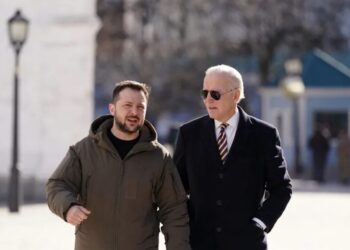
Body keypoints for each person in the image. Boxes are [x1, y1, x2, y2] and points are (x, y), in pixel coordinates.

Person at [46, 81, 190, 250]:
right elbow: (57, 185)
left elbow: (174, 209)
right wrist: (68, 207)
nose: (134, 112)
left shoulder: (159, 157)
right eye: (127, 105)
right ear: (112, 109)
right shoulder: (84, 151)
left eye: (140, 107)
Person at [173, 65, 292, 250]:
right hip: (199, 243)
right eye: (205, 93)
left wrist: (260, 222)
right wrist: (187, 225)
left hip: (247, 243)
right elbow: (176, 190)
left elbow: (282, 188)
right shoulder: (189, 134)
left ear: (236, 95)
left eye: (215, 94)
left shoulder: (264, 135)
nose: (208, 100)